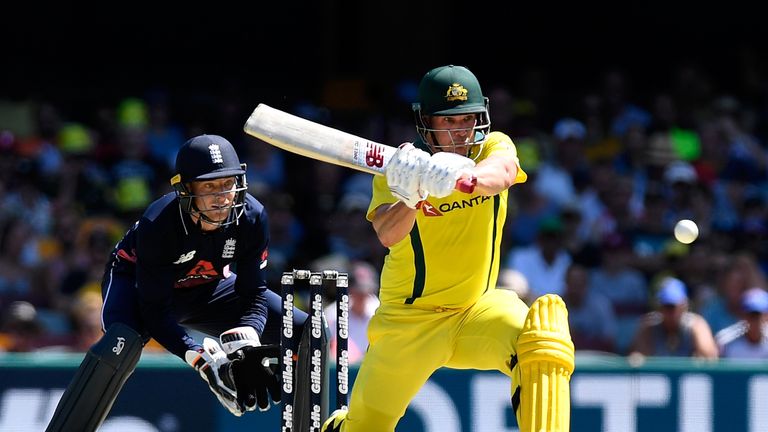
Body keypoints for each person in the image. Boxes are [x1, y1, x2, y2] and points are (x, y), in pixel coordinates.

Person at [322, 65, 575, 432]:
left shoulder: (493, 145)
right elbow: (387, 235)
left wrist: (462, 178)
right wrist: (412, 196)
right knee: (365, 427)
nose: (463, 129)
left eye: (469, 118)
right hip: (409, 322)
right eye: (451, 120)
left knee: (542, 335)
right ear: (426, 122)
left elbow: (502, 172)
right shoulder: (399, 170)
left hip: (476, 309)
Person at [46, 134, 309, 432]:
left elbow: (254, 293)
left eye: (228, 184)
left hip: (209, 287)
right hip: (136, 287)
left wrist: (249, 336)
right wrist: (201, 360)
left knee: (306, 331)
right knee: (120, 344)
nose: (222, 197)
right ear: (186, 189)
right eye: (209, 186)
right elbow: (155, 313)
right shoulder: (158, 224)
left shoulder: (252, 216)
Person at [629, 276, 718, 359]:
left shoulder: (696, 325)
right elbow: (638, 359)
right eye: (664, 306)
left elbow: (709, 358)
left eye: (672, 306)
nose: (669, 312)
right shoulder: (649, 327)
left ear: (684, 306)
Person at [715, 287, 768, 359]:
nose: (755, 321)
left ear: (766, 316)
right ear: (742, 316)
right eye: (750, 315)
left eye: (757, 315)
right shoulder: (725, 342)